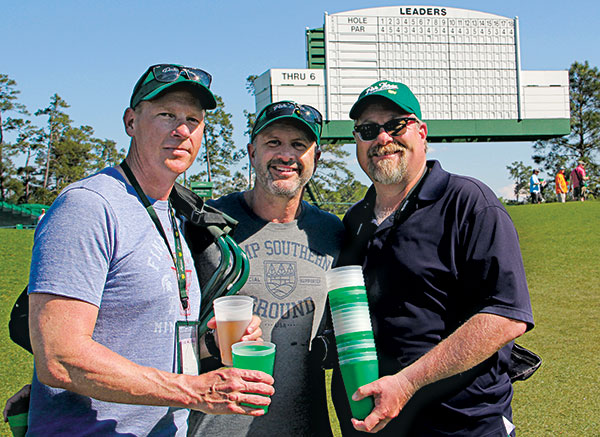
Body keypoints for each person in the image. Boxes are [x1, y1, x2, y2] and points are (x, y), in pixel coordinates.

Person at [25, 64, 274, 436]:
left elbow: (148, 337)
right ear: (131, 121)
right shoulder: (88, 206)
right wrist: (193, 390)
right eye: (166, 115)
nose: (182, 130)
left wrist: (212, 342)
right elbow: (59, 357)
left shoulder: (174, 212)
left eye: (193, 119)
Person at [331, 80, 534, 436]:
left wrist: (407, 382)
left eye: (396, 125)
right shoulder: (354, 221)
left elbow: (505, 316)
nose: (382, 139)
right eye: (367, 130)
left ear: (422, 133)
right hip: (375, 424)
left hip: (462, 424)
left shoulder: (468, 202)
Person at [187, 101, 344, 436]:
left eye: (299, 145)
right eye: (273, 142)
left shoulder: (332, 232)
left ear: (315, 157)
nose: (285, 155)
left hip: (307, 428)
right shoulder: (206, 225)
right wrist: (210, 344)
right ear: (251, 152)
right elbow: (163, 331)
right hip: (216, 428)